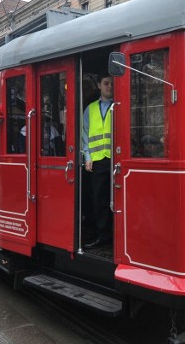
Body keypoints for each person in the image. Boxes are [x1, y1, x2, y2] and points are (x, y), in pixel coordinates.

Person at [82, 73, 113, 249]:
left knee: (115, 200)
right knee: (98, 199)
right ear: (100, 86)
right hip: (97, 161)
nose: (109, 87)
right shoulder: (90, 109)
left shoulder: (119, 105)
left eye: (111, 84)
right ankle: (103, 235)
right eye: (106, 83)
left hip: (116, 160)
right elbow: (85, 134)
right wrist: (87, 156)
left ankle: (113, 233)